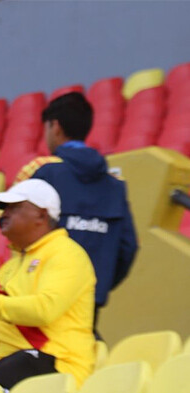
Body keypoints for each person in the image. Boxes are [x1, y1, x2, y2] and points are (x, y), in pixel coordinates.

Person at [0, 179, 96, 392]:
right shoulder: (9, 268)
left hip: (58, 363)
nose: (4, 214)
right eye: (5, 209)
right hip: (7, 362)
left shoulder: (66, 253)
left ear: (41, 215)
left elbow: (44, 310)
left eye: (14, 208)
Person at [15, 92, 138, 336]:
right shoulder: (115, 185)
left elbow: (17, 233)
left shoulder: (44, 174)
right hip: (89, 303)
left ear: (55, 126)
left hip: (43, 300)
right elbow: (128, 247)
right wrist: (97, 284)